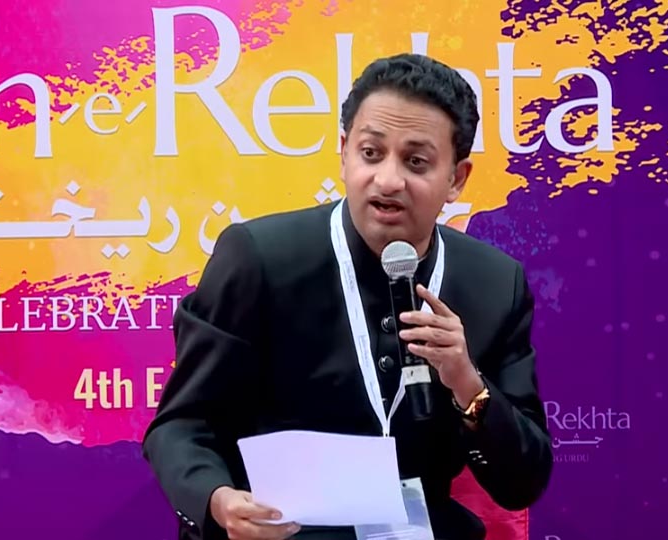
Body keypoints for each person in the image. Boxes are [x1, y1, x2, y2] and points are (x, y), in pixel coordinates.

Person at [142, 53, 553, 540]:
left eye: (416, 162)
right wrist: (217, 500)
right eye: (371, 153)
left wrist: (467, 382)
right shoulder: (259, 258)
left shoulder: (494, 283)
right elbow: (181, 425)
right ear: (343, 152)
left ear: (457, 179)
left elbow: (523, 481)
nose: (388, 180)